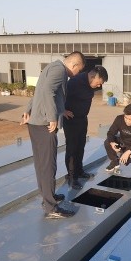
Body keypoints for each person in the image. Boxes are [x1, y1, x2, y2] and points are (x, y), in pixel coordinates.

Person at [21, 51, 86, 219]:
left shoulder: (51, 66)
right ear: (74, 65)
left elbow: (39, 91)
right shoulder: (60, 71)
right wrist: (52, 118)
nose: (76, 74)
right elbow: (48, 91)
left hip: (35, 122)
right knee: (49, 165)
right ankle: (51, 207)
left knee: (41, 164)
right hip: (44, 125)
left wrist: (28, 110)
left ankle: (48, 196)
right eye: (78, 70)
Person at [63, 65, 108, 189]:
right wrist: (62, 110)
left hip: (82, 119)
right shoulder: (74, 82)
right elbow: (58, 94)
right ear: (93, 76)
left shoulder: (89, 85)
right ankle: (72, 178)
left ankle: (79, 171)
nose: (99, 86)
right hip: (71, 120)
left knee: (80, 146)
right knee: (72, 149)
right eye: (99, 83)